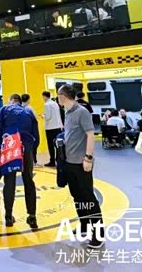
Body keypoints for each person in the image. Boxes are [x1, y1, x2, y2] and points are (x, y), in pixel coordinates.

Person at [57, 84, 104, 248]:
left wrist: (88, 158)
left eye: (58, 96)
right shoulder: (67, 112)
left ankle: (98, 235)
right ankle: (84, 225)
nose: (58, 99)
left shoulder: (82, 112)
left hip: (81, 162)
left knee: (88, 197)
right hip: (69, 162)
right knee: (77, 196)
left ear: (63, 96)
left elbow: (90, 134)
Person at [0, 93, 39, 229]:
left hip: (10, 148)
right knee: (29, 181)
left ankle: (8, 217)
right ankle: (32, 217)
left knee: (9, 182)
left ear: (11, 100)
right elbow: (36, 135)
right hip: (26, 148)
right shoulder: (28, 112)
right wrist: (32, 152)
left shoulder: (4, 109)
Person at [42, 91, 63, 168]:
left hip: (50, 128)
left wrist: (43, 116)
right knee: (57, 145)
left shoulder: (47, 104)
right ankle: (59, 160)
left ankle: (52, 161)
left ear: (44, 96)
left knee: (51, 145)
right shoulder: (55, 103)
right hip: (58, 127)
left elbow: (48, 117)